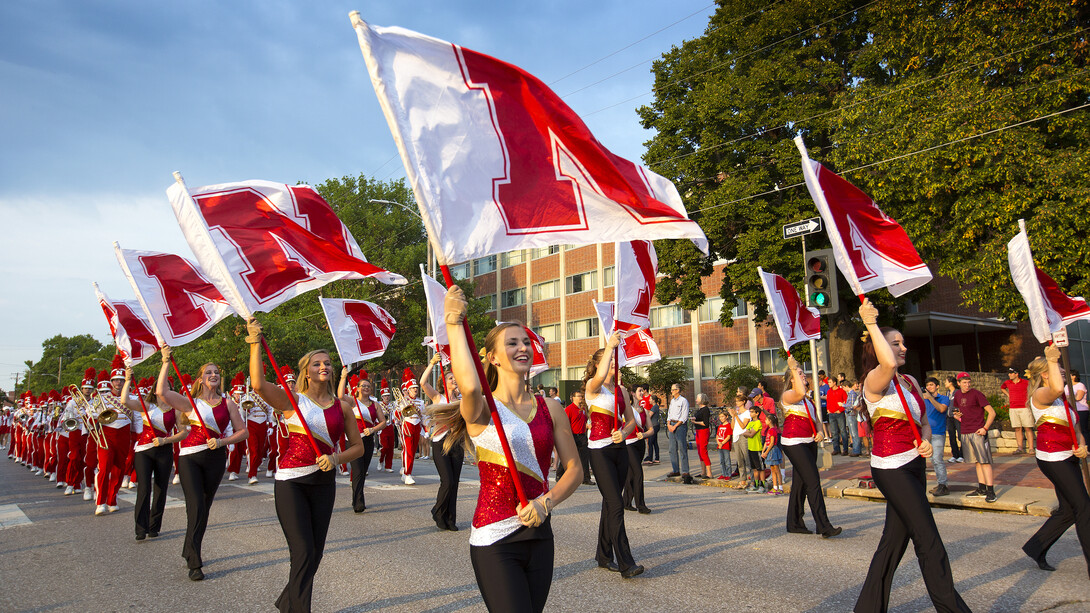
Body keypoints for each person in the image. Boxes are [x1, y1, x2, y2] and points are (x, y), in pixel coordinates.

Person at [434, 286, 583, 611]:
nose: (522, 347)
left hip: (540, 535)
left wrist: (547, 502)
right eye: (512, 343)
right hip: (494, 539)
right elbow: (470, 384)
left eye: (526, 342)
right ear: (492, 357)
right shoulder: (482, 409)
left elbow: (575, 469)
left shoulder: (551, 408)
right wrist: (454, 322)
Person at [855, 298, 970, 613]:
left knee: (892, 544)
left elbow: (920, 418)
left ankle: (867, 608)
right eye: (895, 343)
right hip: (891, 469)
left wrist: (924, 440)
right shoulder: (874, 383)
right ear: (878, 348)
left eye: (903, 343)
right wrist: (870, 323)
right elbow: (888, 364)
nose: (903, 348)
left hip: (914, 463)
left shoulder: (909, 381)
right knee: (928, 540)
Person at [247, 320, 365, 612]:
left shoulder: (344, 406)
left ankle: (288, 602)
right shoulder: (292, 400)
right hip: (291, 483)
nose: (323, 366)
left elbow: (358, 447)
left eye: (327, 363)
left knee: (315, 554)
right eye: (316, 363)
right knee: (302, 551)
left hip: (324, 484)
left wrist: (336, 459)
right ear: (306, 371)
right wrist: (254, 343)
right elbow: (259, 384)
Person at [157, 347, 249, 581]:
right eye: (208, 372)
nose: (213, 375)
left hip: (216, 458)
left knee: (203, 508)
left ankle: (189, 547)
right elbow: (162, 391)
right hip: (190, 458)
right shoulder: (190, 403)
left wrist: (222, 442)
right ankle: (195, 561)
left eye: (216, 372)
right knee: (197, 504)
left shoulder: (228, 404)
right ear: (200, 379)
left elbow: (243, 432)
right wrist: (166, 361)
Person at [1021, 345, 1090, 576]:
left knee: (1069, 510)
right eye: (1058, 369)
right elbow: (1059, 386)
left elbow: (1076, 426)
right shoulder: (1040, 394)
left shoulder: (1063, 399)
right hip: (1052, 458)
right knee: (1084, 506)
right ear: (1045, 375)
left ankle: (1036, 547)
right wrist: (1052, 357)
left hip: (1068, 456)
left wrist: (1081, 445)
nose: (1063, 372)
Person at [583, 332, 644, 578]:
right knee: (617, 504)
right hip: (599, 451)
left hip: (619, 450)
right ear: (600, 364)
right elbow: (599, 376)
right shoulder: (592, 387)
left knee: (611, 502)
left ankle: (603, 554)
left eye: (615, 363)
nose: (613, 367)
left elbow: (631, 421)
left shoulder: (620, 390)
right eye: (609, 362)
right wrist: (609, 346)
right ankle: (626, 563)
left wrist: (624, 431)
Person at [780, 357, 839, 536]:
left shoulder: (808, 400)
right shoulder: (789, 395)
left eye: (803, 373)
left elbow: (818, 421)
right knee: (813, 482)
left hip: (809, 443)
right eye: (799, 374)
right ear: (791, 379)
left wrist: (821, 432)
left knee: (800, 484)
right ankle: (824, 526)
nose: (803, 375)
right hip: (794, 443)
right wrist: (792, 367)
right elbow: (798, 392)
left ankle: (794, 523)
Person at [125, 373, 186, 541]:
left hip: (164, 450)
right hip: (144, 450)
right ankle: (140, 528)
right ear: (154, 389)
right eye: (160, 386)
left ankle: (154, 526)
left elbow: (183, 432)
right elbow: (125, 401)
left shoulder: (175, 410)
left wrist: (165, 440)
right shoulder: (146, 405)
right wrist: (129, 380)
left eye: (167, 387)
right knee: (144, 488)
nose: (163, 389)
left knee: (161, 489)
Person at [419, 355, 463, 530]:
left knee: (455, 483)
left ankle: (450, 519)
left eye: (455, 378)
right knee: (447, 481)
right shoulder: (438, 398)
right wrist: (431, 363)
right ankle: (438, 511)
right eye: (450, 378)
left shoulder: (460, 401)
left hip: (457, 443)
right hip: (440, 441)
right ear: (443, 382)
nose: (454, 380)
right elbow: (423, 382)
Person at [339, 370, 386, 514]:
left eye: (368, 386)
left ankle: (356, 498)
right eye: (363, 386)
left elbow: (383, 422)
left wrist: (372, 430)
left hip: (368, 439)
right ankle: (359, 502)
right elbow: (340, 396)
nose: (366, 388)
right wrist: (343, 377)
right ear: (357, 388)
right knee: (358, 471)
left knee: (363, 471)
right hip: (353, 440)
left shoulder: (375, 404)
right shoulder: (353, 401)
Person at [951, 372, 998, 503]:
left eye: (968, 382)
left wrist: (985, 428)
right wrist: (957, 416)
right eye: (964, 382)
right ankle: (981, 488)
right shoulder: (957, 395)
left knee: (985, 461)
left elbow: (992, 413)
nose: (967, 384)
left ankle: (991, 491)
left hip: (978, 432)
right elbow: (956, 412)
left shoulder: (977, 394)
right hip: (965, 432)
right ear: (958, 383)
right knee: (977, 461)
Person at [621, 389, 652, 514]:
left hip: (640, 443)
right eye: (639, 391)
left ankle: (626, 502)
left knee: (630, 474)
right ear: (633, 394)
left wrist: (644, 434)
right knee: (638, 472)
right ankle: (641, 505)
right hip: (629, 444)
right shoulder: (625, 411)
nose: (642, 393)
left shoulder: (644, 411)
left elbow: (651, 429)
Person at [921, 377, 951, 497]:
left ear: (937, 386)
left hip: (938, 432)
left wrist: (930, 398)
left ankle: (943, 485)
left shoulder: (943, 398)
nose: (929, 387)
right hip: (925, 433)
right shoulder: (923, 400)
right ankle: (939, 484)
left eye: (932, 385)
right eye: (927, 385)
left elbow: (942, 409)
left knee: (938, 459)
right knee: (932, 460)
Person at [559, 390, 592, 485]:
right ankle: (560, 474)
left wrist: (587, 426)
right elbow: (565, 423)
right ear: (573, 397)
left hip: (582, 436)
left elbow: (585, 421)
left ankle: (586, 478)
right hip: (572, 435)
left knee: (584, 457)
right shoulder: (569, 409)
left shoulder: (583, 409)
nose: (580, 398)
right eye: (578, 396)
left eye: (581, 396)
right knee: (569, 457)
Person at [1002, 366, 1034, 454]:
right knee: (1017, 428)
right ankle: (1020, 448)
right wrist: (1008, 395)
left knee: (1028, 428)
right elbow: (1002, 388)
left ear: (1016, 374)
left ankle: (1031, 448)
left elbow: (1033, 389)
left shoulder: (1026, 382)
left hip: (1024, 408)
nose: (1009, 375)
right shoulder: (1007, 382)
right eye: (1009, 373)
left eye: (1011, 373)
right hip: (1013, 408)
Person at [666, 383, 692, 484]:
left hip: (679, 425)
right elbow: (669, 413)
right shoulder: (672, 401)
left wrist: (675, 426)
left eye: (673, 390)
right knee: (672, 449)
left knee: (682, 448)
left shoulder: (683, 401)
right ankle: (675, 469)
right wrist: (668, 424)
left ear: (677, 390)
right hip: (671, 423)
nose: (671, 391)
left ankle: (685, 471)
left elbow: (684, 416)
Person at [730, 390, 752, 484]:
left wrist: (737, 416)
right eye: (736, 401)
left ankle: (752, 479)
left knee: (747, 458)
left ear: (743, 402)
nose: (737, 403)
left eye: (738, 401)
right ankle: (742, 479)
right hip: (736, 436)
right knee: (739, 460)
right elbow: (733, 427)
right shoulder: (737, 413)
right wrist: (733, 417)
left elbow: (743, 426)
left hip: (743, 436)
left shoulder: (747, 413)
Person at [742, 405, 764, 493]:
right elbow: (745, 433)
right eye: (750, 411)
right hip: (750, 448)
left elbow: (751, 434)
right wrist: (749, 433)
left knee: (760, 468)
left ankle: (763, 484)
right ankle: (756, 483)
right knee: (754, 468)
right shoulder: (750, 423)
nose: (750, 413)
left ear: (757, 413)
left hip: (757, 448)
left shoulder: (758, 423)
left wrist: (749, 433)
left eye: (752, 412)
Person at [377, 379, 397, 472]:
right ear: (382, 397)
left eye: (388, 396)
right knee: (384, 447)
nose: (387, 398)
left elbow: (395, 415)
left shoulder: (392, 405)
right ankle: (381, 461)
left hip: (390, 427)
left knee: (391, 447)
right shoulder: (379, 405)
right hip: (382, 427)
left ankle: (388, 466)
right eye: (385, 396)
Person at [692, 393, 713, 479]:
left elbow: (705, 423)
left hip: (703, 431)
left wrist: (695, 422)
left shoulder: (705, 409)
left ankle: (709, 472)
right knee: (700, 452)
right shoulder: (700, 409)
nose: (696, 400)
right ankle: (703, 471)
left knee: (703, 451)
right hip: (698, 431)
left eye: (698, 398)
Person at [762, 414, 784, 495]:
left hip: (773, 450)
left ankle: (780, 487)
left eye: (766, 420)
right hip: (768, 450)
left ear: (770, 421)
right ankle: (775, 487)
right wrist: (763, 451)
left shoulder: (773, 430)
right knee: (772, 470)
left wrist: (766, 452)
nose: (765, 421)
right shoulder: (769, 430)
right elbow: (766, 442)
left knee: (776, 469)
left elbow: (771, 443)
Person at [827, 379, 850, 455]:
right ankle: (836, 448)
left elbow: (846, 402)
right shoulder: (829, 391)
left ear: (834, 383)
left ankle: (845, 449)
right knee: (834, 432)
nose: (829, 383)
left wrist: (841, 410)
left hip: (839, 413)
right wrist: (828, 409)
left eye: (830, 382)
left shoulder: (841, 391)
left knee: (843, 431)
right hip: (831, 413)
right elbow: (828, 401)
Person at [944, 376, 963, 462]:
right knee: (952, 436)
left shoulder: (958, 392)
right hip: (949, 417)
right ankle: (955, 455)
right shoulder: (947, 393)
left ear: (951, 383)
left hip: (957, 417)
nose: (945, 383)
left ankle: (962, 455)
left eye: (946, 381)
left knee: (960, 436)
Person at [1067, 370, 1088, 446]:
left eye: (1069, 374)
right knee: (1072, 430)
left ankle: (1087, 447)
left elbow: (1078, 397)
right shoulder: (1066, 386)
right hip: (1070, 410)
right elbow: (1062, 398)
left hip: (1081, 410)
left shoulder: (1080, 385)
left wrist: (1068, 397)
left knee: (1082, 429)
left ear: (1074, 376)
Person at [643, 394, 661, 465]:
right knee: (654, 442)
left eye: (650, 399)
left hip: (654, 426)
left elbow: (649, 415)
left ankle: (650, 458)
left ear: (653, 400)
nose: (649, 400)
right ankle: (657, 458)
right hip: (656, 425)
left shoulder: (654, 407)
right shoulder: (655, 406)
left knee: (650, 442)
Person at [715, 410, 733, 479]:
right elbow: (717, 435)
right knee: (721, 461)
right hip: (720, 446)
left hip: (725, 446)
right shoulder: (720, 426)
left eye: (722, 417)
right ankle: (723, 473)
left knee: (727, 461)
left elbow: (728, 436)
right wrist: (718, 442)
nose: (721, 418)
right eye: (720, 417)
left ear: (726, 417)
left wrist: (722, 443)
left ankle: (728, 474)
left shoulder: (728, 426)